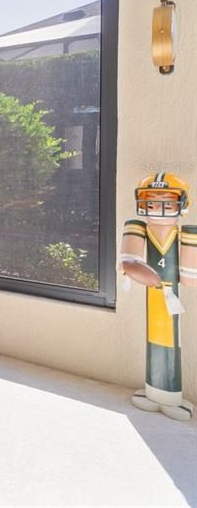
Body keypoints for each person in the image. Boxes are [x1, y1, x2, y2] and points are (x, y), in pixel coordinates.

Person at [120, 172, 195, 421]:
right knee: (154, 341)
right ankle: (153, 391)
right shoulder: (138, 228)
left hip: (170, 296)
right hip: (155, 297)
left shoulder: (185, 233)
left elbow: (189, 276)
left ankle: (171, 396)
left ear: (181, 204)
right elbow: (127, 261)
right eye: (151, 202)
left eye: (167, 201)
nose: (158, 207)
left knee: (171, 341)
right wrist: (140, 272)